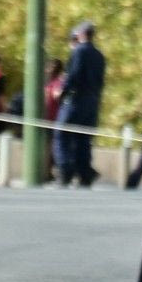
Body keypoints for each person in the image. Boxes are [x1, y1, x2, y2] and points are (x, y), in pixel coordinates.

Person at [55, 21, 105, 187]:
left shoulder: (79, 51)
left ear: (81, 34)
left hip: (76, 100)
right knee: (83, 138)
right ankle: (85, 174)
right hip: (92, 101)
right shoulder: (99, 55)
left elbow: (73, 76)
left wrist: (61, 92)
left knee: (61, 133)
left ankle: (65, 171)